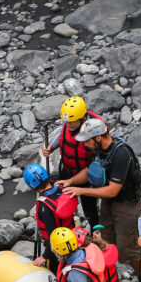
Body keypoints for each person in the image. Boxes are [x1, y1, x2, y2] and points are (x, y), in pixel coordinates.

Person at [59, 118, 141, 282]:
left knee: (129, 249)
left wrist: (80, 190)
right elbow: (88, 171)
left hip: (126, 204)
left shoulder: (121, 154)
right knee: (104, 241)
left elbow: (112, 190)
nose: (85, 145)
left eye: (87, 141)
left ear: (98, 137)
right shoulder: (98, 150)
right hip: (109, 203)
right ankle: (109, 279)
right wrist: (70, 182)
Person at [41, 96, 102, 226]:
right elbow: (62, 135)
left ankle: (95, 236)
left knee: (90, 211)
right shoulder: (70, 122)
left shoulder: (95, 131)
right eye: (66, 122)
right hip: (67, 170)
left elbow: (96, 163)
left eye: (71, 122)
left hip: (87, 177)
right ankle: (67, 231)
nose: (68, 125)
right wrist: (51, 147)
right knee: (62, 205)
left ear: (83, 118)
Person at [23, 163, 78, 271]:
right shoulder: (62, 188)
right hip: (72, 238)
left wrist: (44, 256)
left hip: (57, 249)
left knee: (54, 270)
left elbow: (53, 236)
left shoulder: (44, 207)